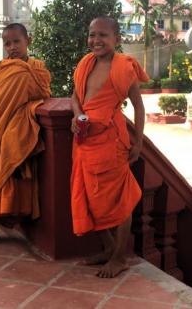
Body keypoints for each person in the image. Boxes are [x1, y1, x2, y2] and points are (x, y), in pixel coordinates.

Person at [70, 16, 148, 278]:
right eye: (92, 35)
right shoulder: (85, 64)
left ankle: (119, 256)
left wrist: (138, 140)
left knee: (119, 201)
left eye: (103, 35)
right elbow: (75, 97)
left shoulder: (123, 67)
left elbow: (138, 105)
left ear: (117, 39)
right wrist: (77, 115)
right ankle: (108, 247)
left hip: (112, 143)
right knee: (90, 197)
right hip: (85, 141)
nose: (96, 40)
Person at [0, 23, 51, 246]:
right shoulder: (4, 70)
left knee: (13, 173)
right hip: (1, 127)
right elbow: (1, 101)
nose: (11, 47)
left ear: (28, 41)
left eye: (16, 41)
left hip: (19, 127)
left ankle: (5, 215)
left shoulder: (37, 68)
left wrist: (29, 109)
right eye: (7, 43)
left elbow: (43, 92)